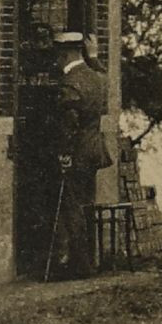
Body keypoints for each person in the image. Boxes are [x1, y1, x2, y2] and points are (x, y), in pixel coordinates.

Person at [47, 31, 115, 278]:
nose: (56, 61)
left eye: (57, 55)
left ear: (65, 54)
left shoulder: (70, 83)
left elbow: (69, 123)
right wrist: (94, 57)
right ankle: (89, 262)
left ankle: (81, 266)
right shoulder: (96, 78)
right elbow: (105, 76)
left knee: (73, 208)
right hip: (94, 151)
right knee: (86, 205)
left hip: (77, 154)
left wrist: (64, 154)